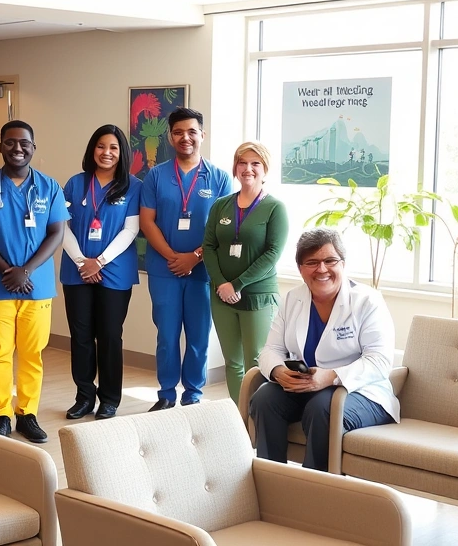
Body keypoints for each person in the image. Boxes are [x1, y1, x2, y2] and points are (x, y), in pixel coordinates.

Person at [249, 228, 398, 472]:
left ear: (343, 264)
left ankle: (315, 488)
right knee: (265, 398)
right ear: (300, 269)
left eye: (330, 260)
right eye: (312, 262)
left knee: (322, 408)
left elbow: (379, 361)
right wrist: (278, 371)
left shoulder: (367, 301)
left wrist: (330, 377)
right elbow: (271, 349)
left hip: (361, 392)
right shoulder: (293, 299)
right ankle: (271, 479)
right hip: (309, 388)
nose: (322, 269)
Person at [0, 120, 68, 443]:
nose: (17, 148)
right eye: (10, 142)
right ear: (0, 147)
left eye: (24, 143)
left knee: (32, 353)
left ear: (34, 147)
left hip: (37, 286)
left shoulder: (50, 187)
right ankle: (1, 415)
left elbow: (57, 233)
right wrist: (8, 271)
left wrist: (28, 270)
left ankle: (27, 413)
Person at [139, 107, 234, 410]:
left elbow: (223, 228)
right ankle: (166, 394)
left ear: (202, 135)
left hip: (203, 272)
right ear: (170, 137)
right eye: (178, 132)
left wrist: (194, 258)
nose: (185, 137)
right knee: (167, 336)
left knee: (198, 337)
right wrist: (173, 257)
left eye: (192, 131)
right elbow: (147, 222)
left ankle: (193, 394)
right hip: (164, 269)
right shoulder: (156, 176)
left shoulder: (219, 179)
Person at [60, 125, 142, 421]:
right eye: (101, 146)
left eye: (113, 148)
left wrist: (101, 261)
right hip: (77, 270)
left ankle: (109, 399)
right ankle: (84, 397)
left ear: (122, 153)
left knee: (109, 336)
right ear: (92, 149)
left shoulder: (133, 186)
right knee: (81, 336)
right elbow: (61, 226)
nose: (106, 153)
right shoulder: (75, 183)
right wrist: (82, 261)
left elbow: (131, 229)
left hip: (115, 271)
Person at [203, 141, 289, 401]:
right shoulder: (220, 205)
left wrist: (237, 284)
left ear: (265, 169)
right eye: (242, 163)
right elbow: (209, 247)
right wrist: (221, 284)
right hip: (222, 295)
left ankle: (258, 416)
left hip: (256, 297)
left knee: (256, 362)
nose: (248, 168)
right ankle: (238, 416)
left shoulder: (275, 208)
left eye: (255, 163)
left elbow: (272, 254)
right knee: (233, 362)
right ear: (235, 167)